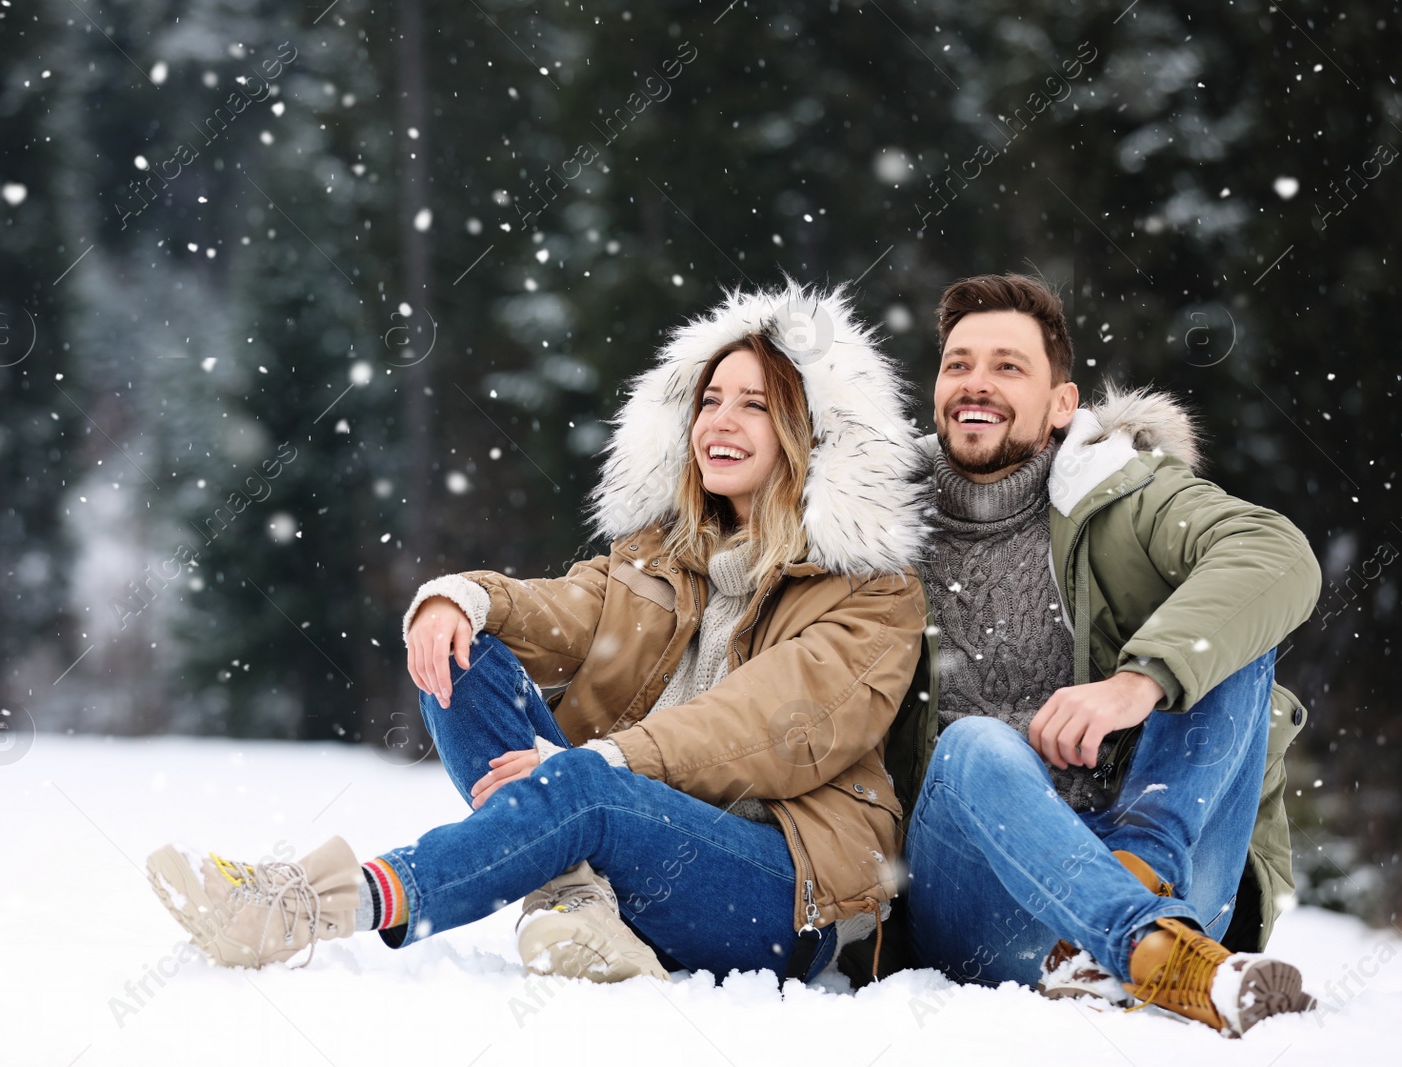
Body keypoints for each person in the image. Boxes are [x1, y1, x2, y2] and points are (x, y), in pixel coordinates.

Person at [146, 284, 928, 984]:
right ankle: (577, 901)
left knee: (589, 784)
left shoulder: (872, 594)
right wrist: (461, 600)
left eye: (753, 404)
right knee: (463, 658)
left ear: (809, 433)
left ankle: (313, 906)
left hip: (785, 895)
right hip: (630, 839)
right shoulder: (662, 557)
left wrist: (607, 761)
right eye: (710, 399)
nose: (719, 421)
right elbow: (563, 608)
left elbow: (767, 722)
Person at [881, 273, 1320, 1036]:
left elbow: (1276, 554)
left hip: (1174, 868)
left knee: (1225, 631)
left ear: (1062, 405)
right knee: (976, 744)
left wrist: (1137, 680)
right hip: (981, 905)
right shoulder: (878, 523)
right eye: (958, 363)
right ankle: (1139, 942)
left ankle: (1138, 905)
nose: (975, 383)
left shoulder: (1122, 495)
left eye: (1008, 366)